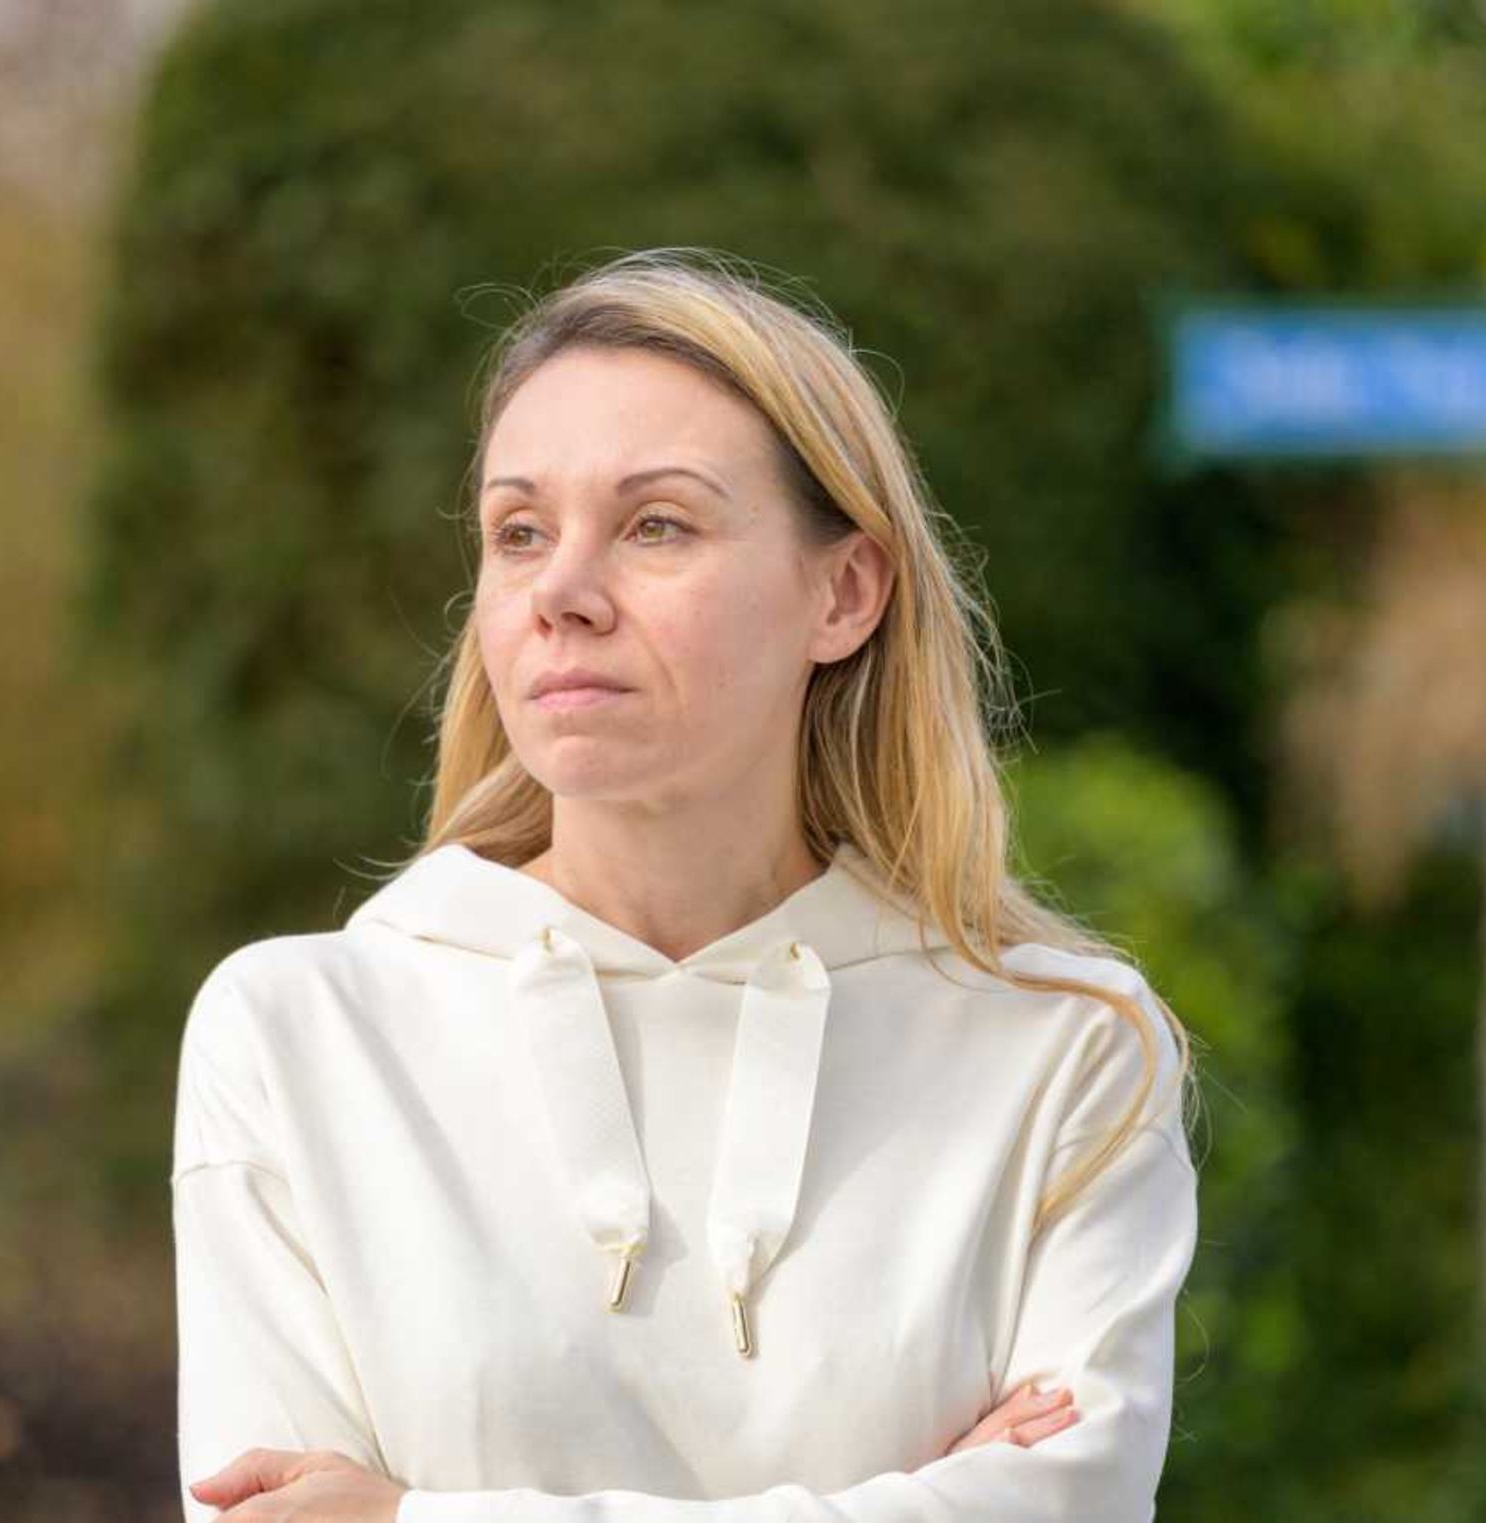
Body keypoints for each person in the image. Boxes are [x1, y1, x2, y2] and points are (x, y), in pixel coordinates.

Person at [168, 248, 1201, 1522]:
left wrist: (412, 1513)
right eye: (519, 532)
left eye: (656, 523)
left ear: (844, 592)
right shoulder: (297, 1035)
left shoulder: (1065, 1050)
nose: (561, 593)